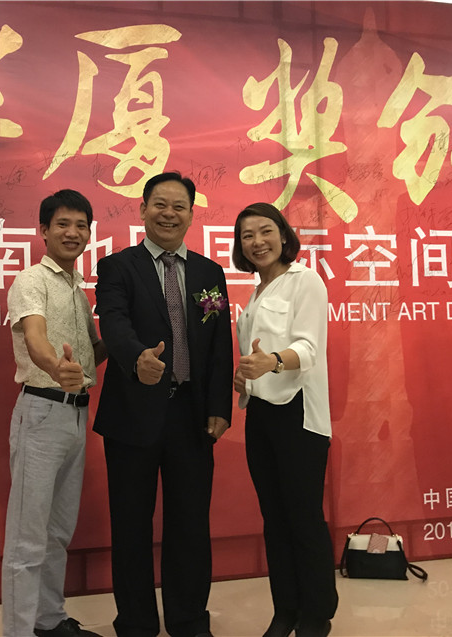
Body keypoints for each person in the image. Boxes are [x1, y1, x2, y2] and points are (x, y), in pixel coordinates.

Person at [94, 172, 233, 637]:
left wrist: (219, 406)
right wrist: (137, 358)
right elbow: (113, 323)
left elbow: (218, 343)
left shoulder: (209, 274)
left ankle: (189, 620)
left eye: (179, 206)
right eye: (160, 204)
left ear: (191, 214)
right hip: (132, 414)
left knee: (190, 525)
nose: (169, 214)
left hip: (191, 416)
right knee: (130, 527)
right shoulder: (117, 267)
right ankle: (135, 624)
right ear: (142, 209)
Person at [2, 189, 107, 637]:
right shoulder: (32, 280)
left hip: (77, 415)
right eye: (63, 224)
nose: (73, 233)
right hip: (42, 413)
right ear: (43, 231)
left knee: (58, 531)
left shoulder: (78, 291)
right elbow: (36, 338)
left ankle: (48, 620)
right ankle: (19, 630)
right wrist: (55, 368)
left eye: (81, 225)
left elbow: (92, 353)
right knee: (27, 538)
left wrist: (131, 331)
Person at [232, 203, 338, 637]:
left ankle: (316, 614)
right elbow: (253, 358)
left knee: (303, 517)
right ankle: (286, 610)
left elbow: (309, 349)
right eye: (247, 236)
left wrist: (272, 361)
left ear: (283, 235)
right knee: (274, 519)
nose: (257, 242)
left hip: (299, 414)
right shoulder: (257, 292)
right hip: (260, 415)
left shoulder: (304, 280)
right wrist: (244, 377)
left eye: (265, 231)